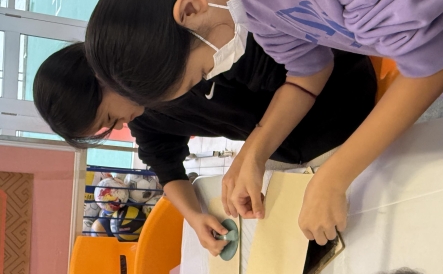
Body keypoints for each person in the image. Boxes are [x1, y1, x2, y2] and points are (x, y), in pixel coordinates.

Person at [85, 0, 443, 245]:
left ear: (191, 9)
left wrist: (334, 176)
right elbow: (307, 72)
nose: (213, 72)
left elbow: (435, 62)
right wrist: (254, 152)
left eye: (200, 73)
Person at [34, 42, 376, 255]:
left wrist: (252, 155)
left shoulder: (196, 49)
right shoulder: (144, 112)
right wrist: (195, 216)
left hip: (339, 109)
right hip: (297, 148)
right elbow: (164, 163)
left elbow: (306, 74)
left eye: (110, 118)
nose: (120, 124)